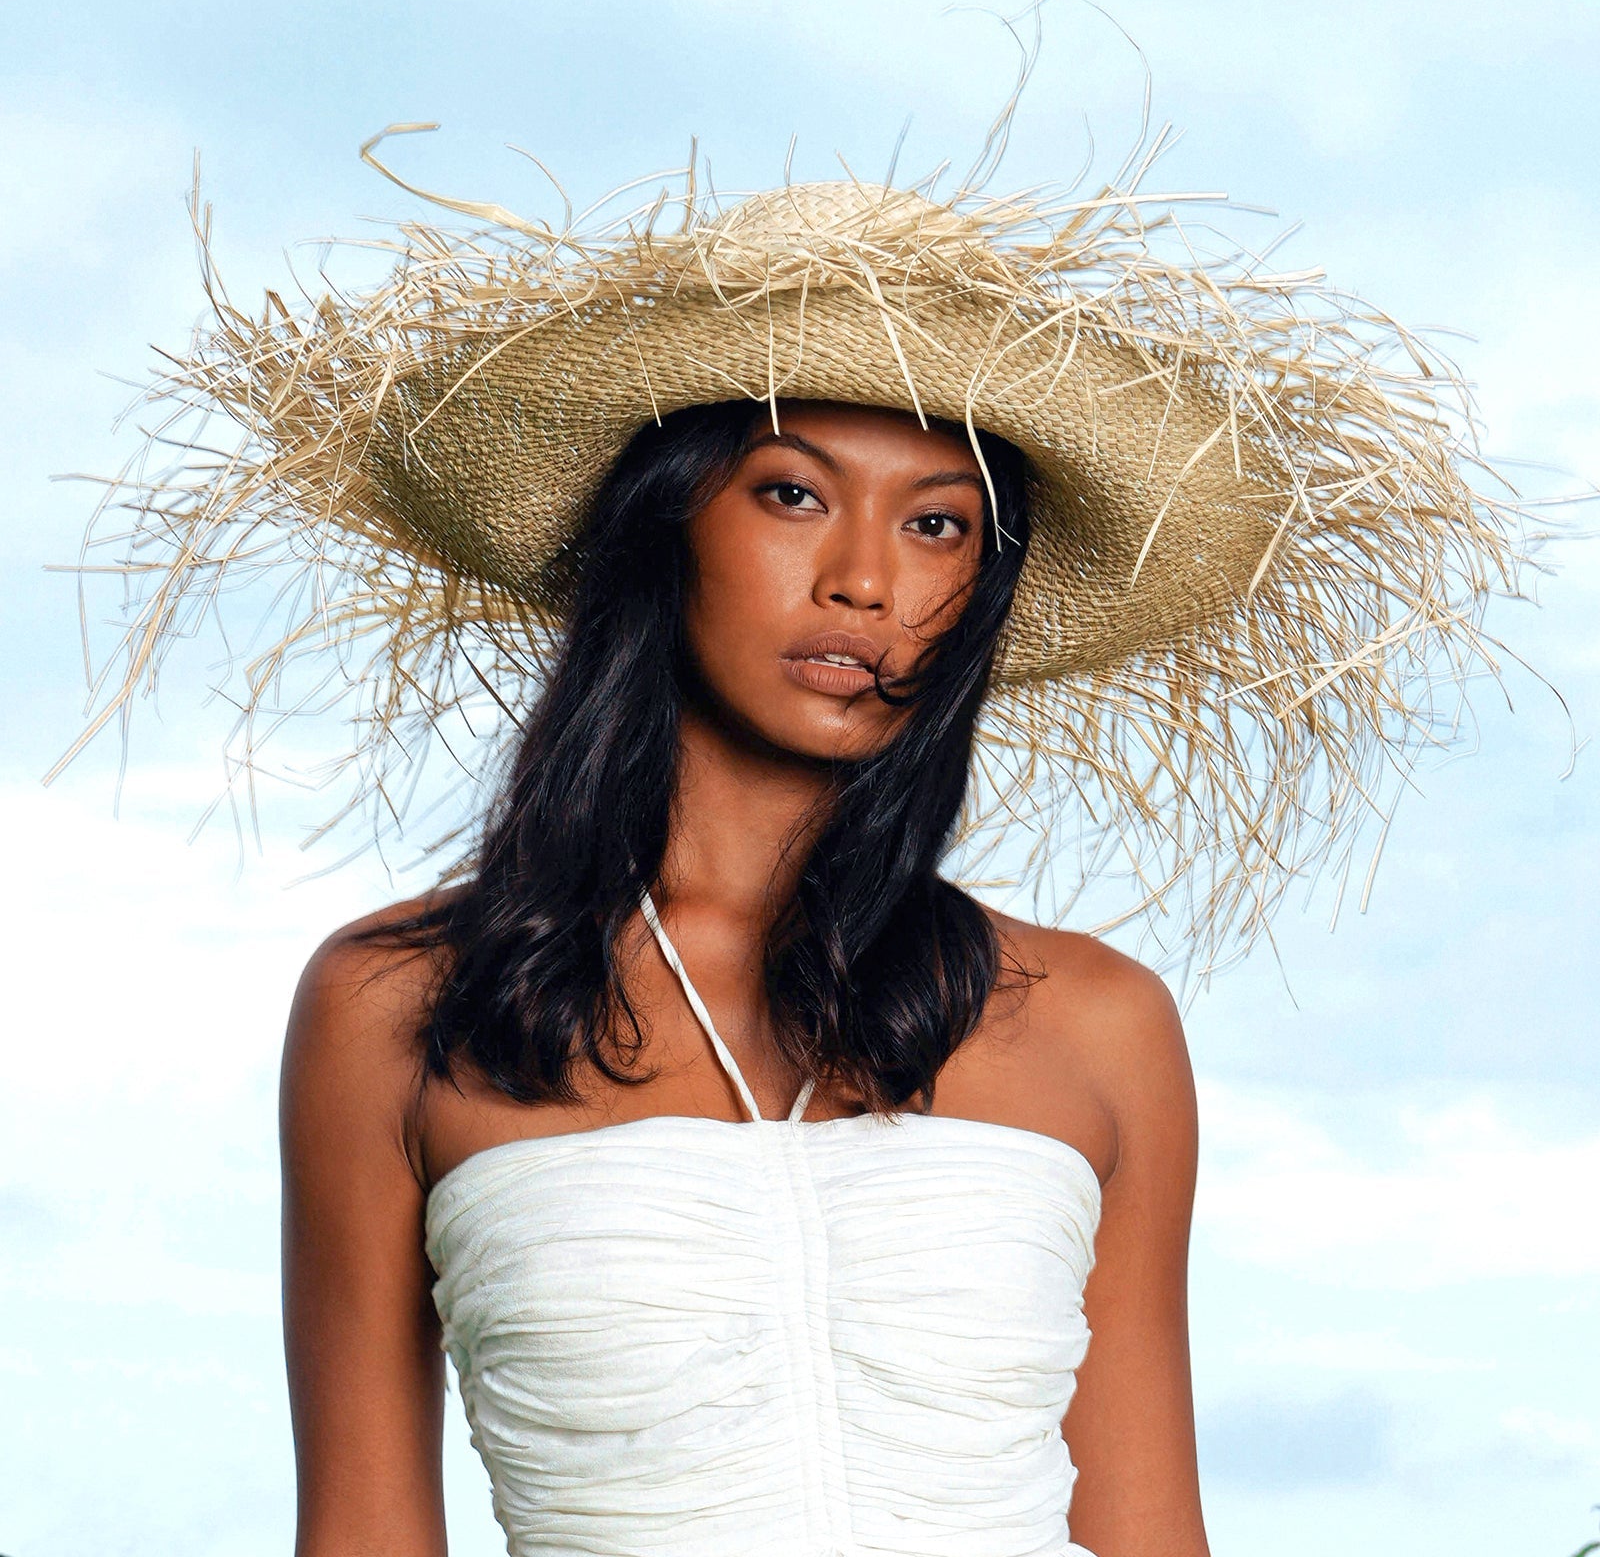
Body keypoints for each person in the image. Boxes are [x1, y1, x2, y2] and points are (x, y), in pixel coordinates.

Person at [62, 148, 1520, 1557]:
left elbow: (1149, 1534)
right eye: (794, 493)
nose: (869, 582)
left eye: (939, 525)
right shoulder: (394, 1009)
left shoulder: (1096, 1025)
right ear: (661, 519)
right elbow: (368, 1536)